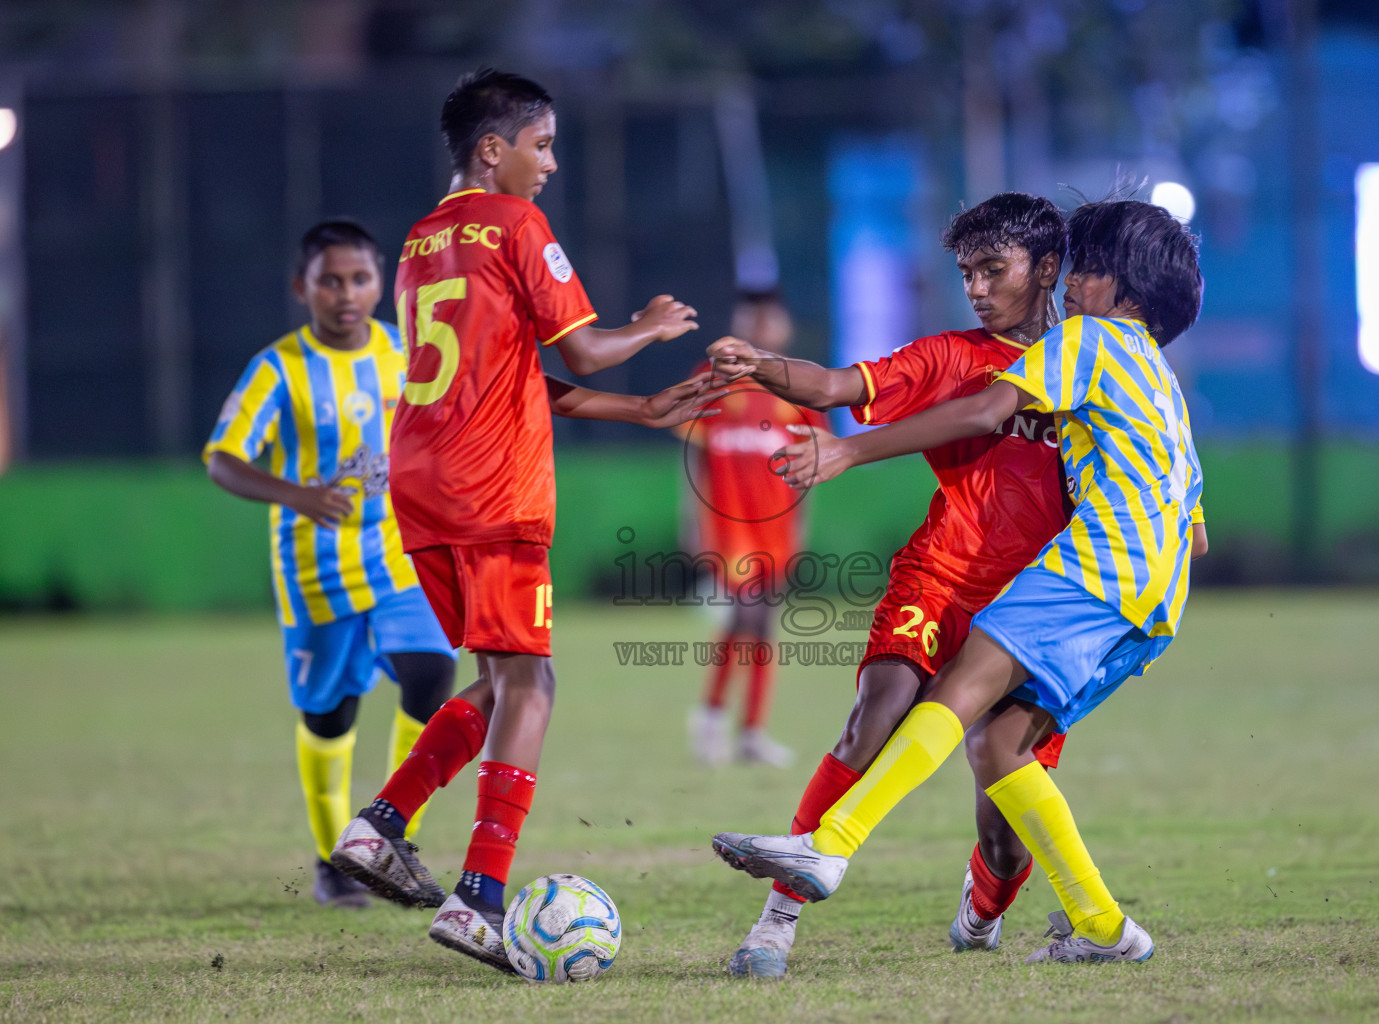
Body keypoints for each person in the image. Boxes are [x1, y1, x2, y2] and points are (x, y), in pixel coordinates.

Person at [711, 197, 1207, 965]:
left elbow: (986, 415)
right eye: (966, 273)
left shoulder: (1088, 349)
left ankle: (989, 916)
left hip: (1045, 591)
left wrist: (848, 453)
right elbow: (836, 385)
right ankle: (779, 915)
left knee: (1003, 819)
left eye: (992, 269)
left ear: (1049, 270)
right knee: (876, 714)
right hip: (944, 577)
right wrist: (765, 367)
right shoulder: (958, 355)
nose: (975, 287)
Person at [328, 69, 712, 974]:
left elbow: (506, 376)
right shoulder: (515, 224)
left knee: (500, 683)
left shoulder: (423, 239)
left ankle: (380, 825)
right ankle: (479, 898)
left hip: (420, 479)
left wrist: (642, 409)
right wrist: (648, 328)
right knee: (533, 686)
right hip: (490, 487)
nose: (550, 164)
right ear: (492, 149)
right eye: (541, 145)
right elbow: (579, 348)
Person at [205, 220, 458, 908]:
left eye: (361, 279)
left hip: (403, 558)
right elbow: (222, 458)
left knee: (434, 673)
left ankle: (391, 844)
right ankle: (331, 861)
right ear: (302, 287)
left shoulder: (405, 355)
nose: (347, 294)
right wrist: (298, 495)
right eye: (331, 280)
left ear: (383, 283)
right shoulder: (279, 368)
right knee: (331, 718)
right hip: (317, 568)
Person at [684, 289, 822, 769]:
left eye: (771, 316)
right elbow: (695, 463)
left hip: (777, 530)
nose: (763, 324)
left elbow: (811, 465)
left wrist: (801, 528)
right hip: (728, 527)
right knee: (750, 620)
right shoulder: (714, 381)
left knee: (758, 627)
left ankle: (731, 724)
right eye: (754, 316)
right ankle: (730, 723)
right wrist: (692, 525)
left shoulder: (797, 384)